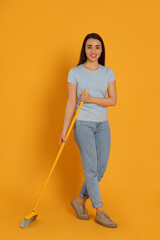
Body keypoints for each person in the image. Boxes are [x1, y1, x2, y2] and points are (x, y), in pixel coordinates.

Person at [59, 33, 117, 228]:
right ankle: (99, 210)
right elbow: (70, 102)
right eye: (89, 46)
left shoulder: (108, 72)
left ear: (102, 50)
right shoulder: (74, 72)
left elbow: (113, 100)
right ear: (84, 49)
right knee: (91, 168)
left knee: (100, 169)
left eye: (97, 47)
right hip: (82, 123)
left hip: (103, 124)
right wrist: (64, 130)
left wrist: (92, 99)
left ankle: (79, 201)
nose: (93, 51)